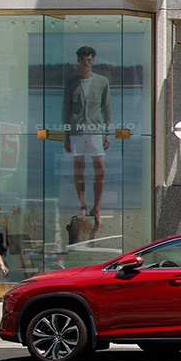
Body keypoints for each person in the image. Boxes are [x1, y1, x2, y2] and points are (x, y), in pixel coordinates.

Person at [62, 45, 110, 234]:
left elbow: (107, 109)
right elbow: (65, 111)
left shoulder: (102, 81)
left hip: (96, 131)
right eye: (83, 59)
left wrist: (107, 133)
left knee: (100, 169)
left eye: (90, 59)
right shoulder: (71, 83)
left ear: (93, 60)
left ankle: (96, 207)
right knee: (79, 169)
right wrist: (66, 135)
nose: (87, 63)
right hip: (76, 132)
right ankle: (82, 205)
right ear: (78, 60)